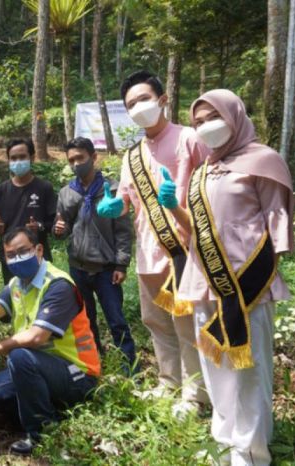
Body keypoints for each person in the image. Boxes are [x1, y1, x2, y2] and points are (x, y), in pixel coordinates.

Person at [161, 89, 293, 466]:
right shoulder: (204, 170)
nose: (205, 126)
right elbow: (195, 233)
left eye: (212, 117)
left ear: (234, 114)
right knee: (215, 367)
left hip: (247, 284)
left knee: (249, 370)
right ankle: (225, 440)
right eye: (198, 121)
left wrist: (255, 279)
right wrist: (175, 208)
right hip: (206, 282)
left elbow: (277, 228)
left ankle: (251, 450)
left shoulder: (263, 161)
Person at [97, 70, 208, 415]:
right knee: (157, 322)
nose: (138, 107)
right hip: (148, 252)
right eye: (131, 104)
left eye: (144, 99)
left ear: (163, 100)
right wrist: (116, 205)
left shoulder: (191, 139)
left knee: (187, 324)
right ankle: (168, 383)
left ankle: (195, 394)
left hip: (186, 251)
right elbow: (127, 198)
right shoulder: (131, 156)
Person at [0, 227, 101, 455]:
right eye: (10, 255)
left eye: (23, 251)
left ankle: (41, 433)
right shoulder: (17, 284)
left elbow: (36, 337)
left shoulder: (58, 285)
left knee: (20, 355)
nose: (16, 258)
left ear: (39, 249)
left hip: (78, 374)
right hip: (42, 368)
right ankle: (53, 409)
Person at [53, 137, 136, 369]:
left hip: (106, 269)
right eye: (71, 160)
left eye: (80, 158)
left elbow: (123, 231)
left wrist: (121, 265)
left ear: (93, 157)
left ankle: (129, 367)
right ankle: (94, 363)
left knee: (116, 320)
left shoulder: (112, 189)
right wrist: (58, 229)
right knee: (86, 319)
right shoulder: (67, 193)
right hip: (78, 267)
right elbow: (62, 226)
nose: (76, 164)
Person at [0, 138, 57, 283]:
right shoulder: (0, 191)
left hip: (37, 256)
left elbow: (53, 223)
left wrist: (39, 227)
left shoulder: (44, 188)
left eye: (22, 157)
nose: (17, 161)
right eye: (13, 158)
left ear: (32, 158)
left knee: (43, 299)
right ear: (8, 160)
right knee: (15, 300)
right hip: (11, 258)